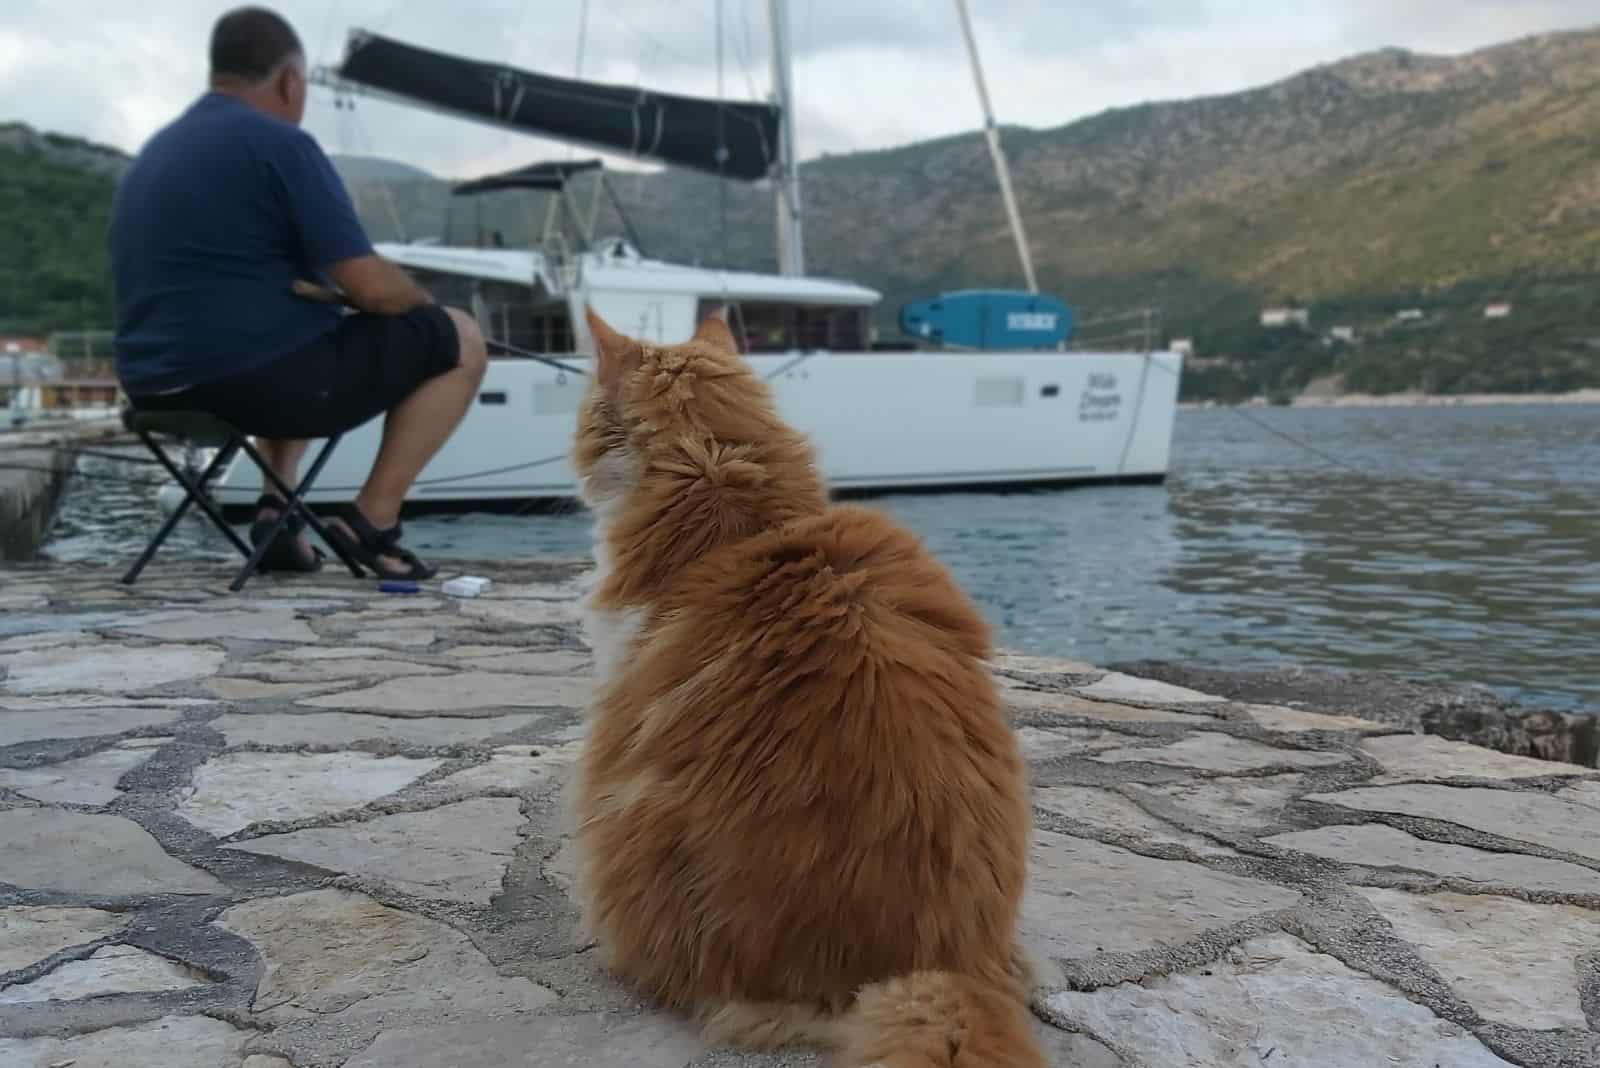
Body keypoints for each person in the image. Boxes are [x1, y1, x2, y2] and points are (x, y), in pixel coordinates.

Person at [109, 5, 487, 580]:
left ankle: (276, 514)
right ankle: (372, 522)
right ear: (290, 80)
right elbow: (367, 283)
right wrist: (420, 305)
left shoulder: (156, 154)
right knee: (460, 337)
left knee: (299, 330)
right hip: (249, 385)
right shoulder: (281, 144)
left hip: (153, 388)